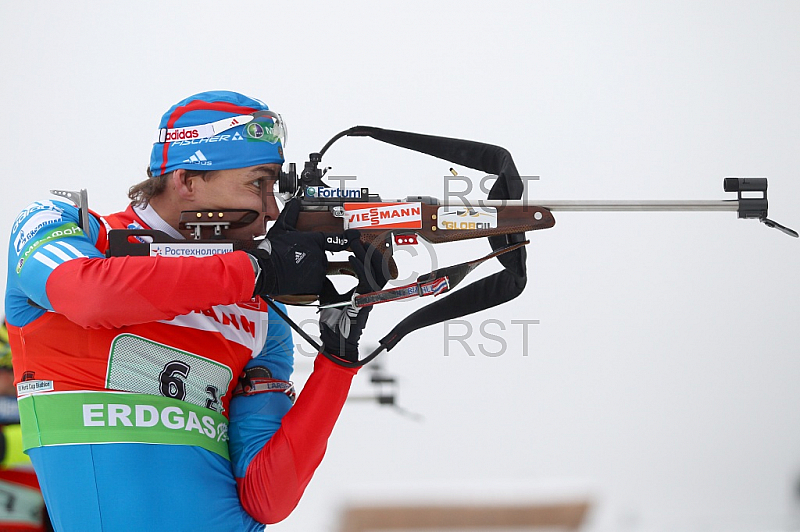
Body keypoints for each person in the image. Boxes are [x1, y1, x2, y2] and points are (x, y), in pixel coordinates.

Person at [4, 91, 387, 531]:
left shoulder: (260, 310)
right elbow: (90, 297)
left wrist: (337, 362)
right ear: (186, 181)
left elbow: (268, 499)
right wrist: (255, 268)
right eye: (256, 183)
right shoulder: (65, 226)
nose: (271, 210)